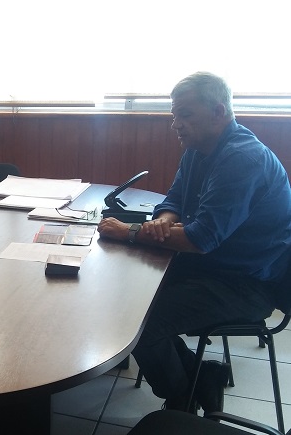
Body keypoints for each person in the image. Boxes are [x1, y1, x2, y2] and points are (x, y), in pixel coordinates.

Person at [98, 72, 291, 414]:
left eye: (185, 115)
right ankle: (203, 377)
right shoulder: (199, 149)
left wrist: (129, 231)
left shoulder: (242, 158)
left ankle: (183, 400)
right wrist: (163, 220)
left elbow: (201, 239)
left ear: (218, 112)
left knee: (137, 323)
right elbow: (173, 200)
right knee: (124, 293)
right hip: (210, 266)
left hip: (247, 284)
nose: (176, 124)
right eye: (174, 116)